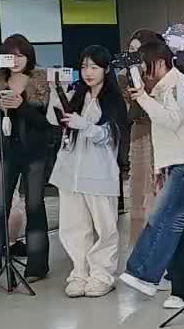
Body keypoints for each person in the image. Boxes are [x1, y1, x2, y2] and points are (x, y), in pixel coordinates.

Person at [0, 34, 52, 294]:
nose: (15, 61)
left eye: (20, 55)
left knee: (34, 206)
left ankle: (37, 265)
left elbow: (45, 124)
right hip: (7, 152)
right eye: (10, 55)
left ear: (29, 56)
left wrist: (22, 106)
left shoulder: (40, 82)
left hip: (36, 153)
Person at [119, 39, 184, 302]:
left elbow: (172, 121)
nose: (143, 71)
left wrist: (143, 97)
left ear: (161, 62)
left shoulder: (176, 85)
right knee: (178, 223)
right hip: (179, 161)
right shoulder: (165, 86)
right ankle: (176, 280)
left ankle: (143, 272)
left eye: (145, 65)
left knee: (164, 217)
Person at [47, 46, 128, 298]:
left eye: (94, 67)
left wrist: (84, 125)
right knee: (74, 226)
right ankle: (79, 273)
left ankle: (102, 275)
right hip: (70, 172)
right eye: (84, 67)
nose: (88, 72)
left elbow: (107, 136)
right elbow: (54, 120)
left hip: (99, 173)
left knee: (105, 227)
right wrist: (55, 94)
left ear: (106, 69)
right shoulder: (76, 95)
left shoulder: (114, 101)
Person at [122, 29, 165, 246]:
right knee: (139, 188)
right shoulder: (125, 77)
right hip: (140, 132)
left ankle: (163, 240)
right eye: (131, 50)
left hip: (164, 133)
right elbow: (132, 113)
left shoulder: (164, 74)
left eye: (139, 50)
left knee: (161, 188)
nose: (135, 55)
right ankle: (140, 244)